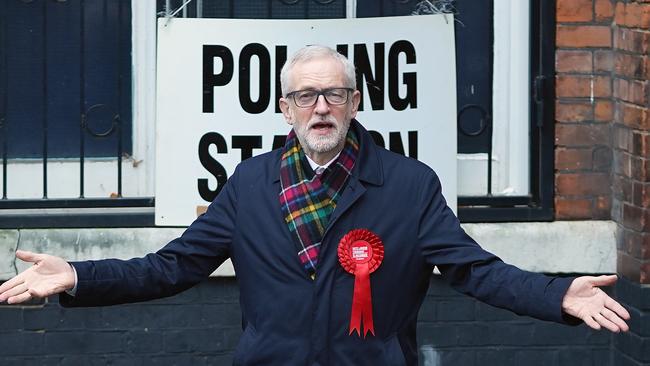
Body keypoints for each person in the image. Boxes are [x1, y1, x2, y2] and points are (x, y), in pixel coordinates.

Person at [0, 45, 630, 365]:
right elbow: (172, 266)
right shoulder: (248, 185)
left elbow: (474, 269)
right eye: (304, 97)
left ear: (355, 102)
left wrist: (558, 295)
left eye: (333, 94)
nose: (320, 108)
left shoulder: (409, 185)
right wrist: (79, 276)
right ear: (284, 110)